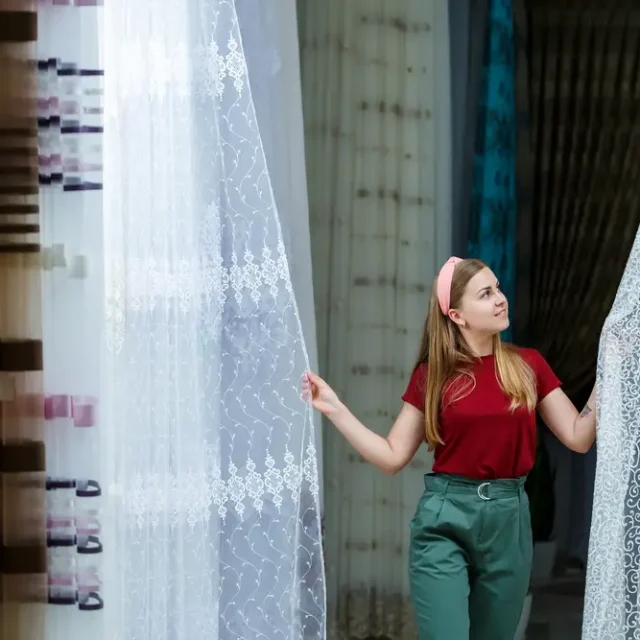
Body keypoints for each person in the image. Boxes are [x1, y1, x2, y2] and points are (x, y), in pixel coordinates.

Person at [303, 257, 597, 640]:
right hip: (445, 521)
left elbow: (578, 435)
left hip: (510, 522)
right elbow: (392, 456)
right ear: (457, 315)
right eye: (486, 294)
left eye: (498, 289)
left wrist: (610, 369)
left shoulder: (528, 366)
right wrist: (336, 409)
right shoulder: (434, 376)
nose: (500, 299)